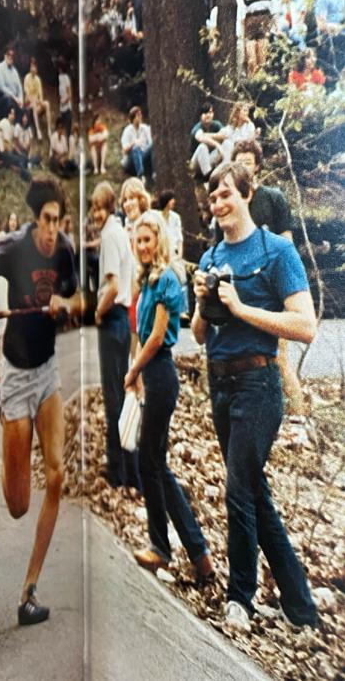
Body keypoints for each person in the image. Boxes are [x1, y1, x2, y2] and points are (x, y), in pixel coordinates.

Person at [191, 161, 319, 632]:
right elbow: (200, 334)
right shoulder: (209, 258)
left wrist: (241, 308)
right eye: (213, 195)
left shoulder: (276, 250)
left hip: (259, 384)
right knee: (254, 493)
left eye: (226, 193)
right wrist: (203, 300)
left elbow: (305, 326)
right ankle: (300, 605)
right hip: (219, 383)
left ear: (247, 194)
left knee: (239, 488)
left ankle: (239, 598)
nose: (218, 202)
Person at [0, 174, 81, 626]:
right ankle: (1, 408)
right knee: (17, 505)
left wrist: (67, 306)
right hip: (14, 372)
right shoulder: (16, 247)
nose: (52, 229)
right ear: (37, 219)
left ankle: (29, 589)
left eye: (58, 220)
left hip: (47, 373)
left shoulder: (67, 250)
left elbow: (75, 292)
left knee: (56, 475)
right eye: (47, 220)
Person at [125, 211, 214, 580]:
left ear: (159, 240)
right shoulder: (146, 279)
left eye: (149, 240)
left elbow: (158, 337)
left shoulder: (167, 280)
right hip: (153, 375)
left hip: (161, 372)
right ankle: (194, 554)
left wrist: (132, 371)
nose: (143, 246)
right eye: (139, 240)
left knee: (152, 462)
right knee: (154, 463)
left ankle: (168, 548)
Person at [231, 139, 305, 415]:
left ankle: (297, 418)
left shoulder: (273, 198)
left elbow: (287, 244)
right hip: (244, 294)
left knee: (280, 357)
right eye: (238, 162)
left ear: (258, 166)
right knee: (249, 359)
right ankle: (263, 416)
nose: (242, 167)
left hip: (274, 290)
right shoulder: (234, 204)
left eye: (247, 162)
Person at [92, 181, 135, 489]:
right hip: (122, 317)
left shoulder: (109, 234)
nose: (95, 214)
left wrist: (96, 312)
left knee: (113, 395)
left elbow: (113, 285)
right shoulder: (120, 231)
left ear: (106, 207)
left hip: (112, 316)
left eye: (97, 207)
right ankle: (126, 462)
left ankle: (118, 466)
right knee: (121, 390)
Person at [189, 103, 225, 181]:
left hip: (208, 161)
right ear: (201, 115)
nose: (208, 115)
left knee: (226, 146)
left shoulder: (216, 124)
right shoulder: (198, 127)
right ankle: (208, 178)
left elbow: (225, 134)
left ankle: (222, 174)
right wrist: (216, 144)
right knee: (203, 147)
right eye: (205, 113)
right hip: (196, 164)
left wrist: (207, 135)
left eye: (210, 112)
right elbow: (200, 137)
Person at [120, 105, 152, 181]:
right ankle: (140, 176)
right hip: (130, 162)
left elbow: (150, 144)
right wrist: (134, 143)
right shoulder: (127, 131)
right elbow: (124, 150)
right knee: (135, 148)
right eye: (138, 115)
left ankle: (154, 174)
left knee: (152, 146)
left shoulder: (145, 128)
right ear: (133, 118)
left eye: (141, 114)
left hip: (143, 156)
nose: (141, 117)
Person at [0, 45, 23, 120]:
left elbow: (20, 89)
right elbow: (1, 87)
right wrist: (15, 98)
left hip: (13, 100)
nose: (10, 57)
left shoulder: (15, 71)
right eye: (8, 55)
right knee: (8, 99)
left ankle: (16, 124)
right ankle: (5, 120)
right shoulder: (0, 67)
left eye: (12, 56)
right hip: (0, 99)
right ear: (5, 55)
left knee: (23, 109)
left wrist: (21, 101)